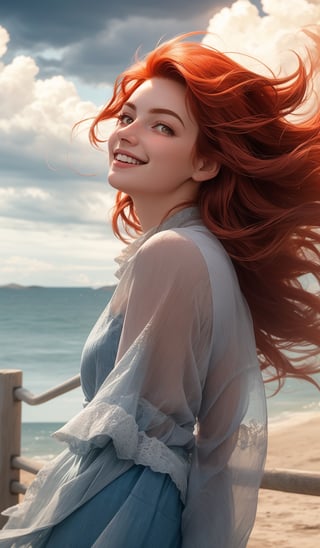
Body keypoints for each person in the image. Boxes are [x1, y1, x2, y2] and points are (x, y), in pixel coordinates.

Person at [1, 31, 320, 548]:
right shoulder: (200, 250)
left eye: (162, 127)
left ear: (206, 162)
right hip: (147, 507)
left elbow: (138, 438)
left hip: (117, 510)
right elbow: (202, 439)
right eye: (127, 118)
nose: (127, 134)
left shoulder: (170, 253)